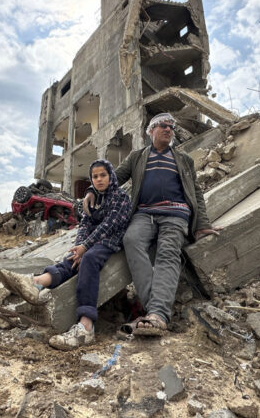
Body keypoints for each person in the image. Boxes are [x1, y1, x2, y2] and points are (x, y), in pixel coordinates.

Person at [84, 112, 221, 335]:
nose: (168, 129)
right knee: (131, 239)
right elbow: (115, 178)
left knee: (168, 252)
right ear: (150, 131)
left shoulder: (183, 159)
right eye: (162, 126)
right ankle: (156, 311)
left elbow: (195, 191)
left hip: (175, 214)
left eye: (171, 127)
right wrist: (92, 189)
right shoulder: (137, 156)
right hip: (144, 214)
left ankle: (156, 314)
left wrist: (202, 224)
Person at [0, 159, 131, 350]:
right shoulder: (92, 200)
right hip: (90, 243)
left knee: (89, 259)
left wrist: (85, 247)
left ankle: (86, 326)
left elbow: (109, 225)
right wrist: (78, 247)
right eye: (95, 176)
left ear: (111, 176)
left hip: (111, 241)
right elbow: (85, 225)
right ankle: (37, 282)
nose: (99, 179)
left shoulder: (121, 197)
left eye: (103, 175)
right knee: (72, 258)